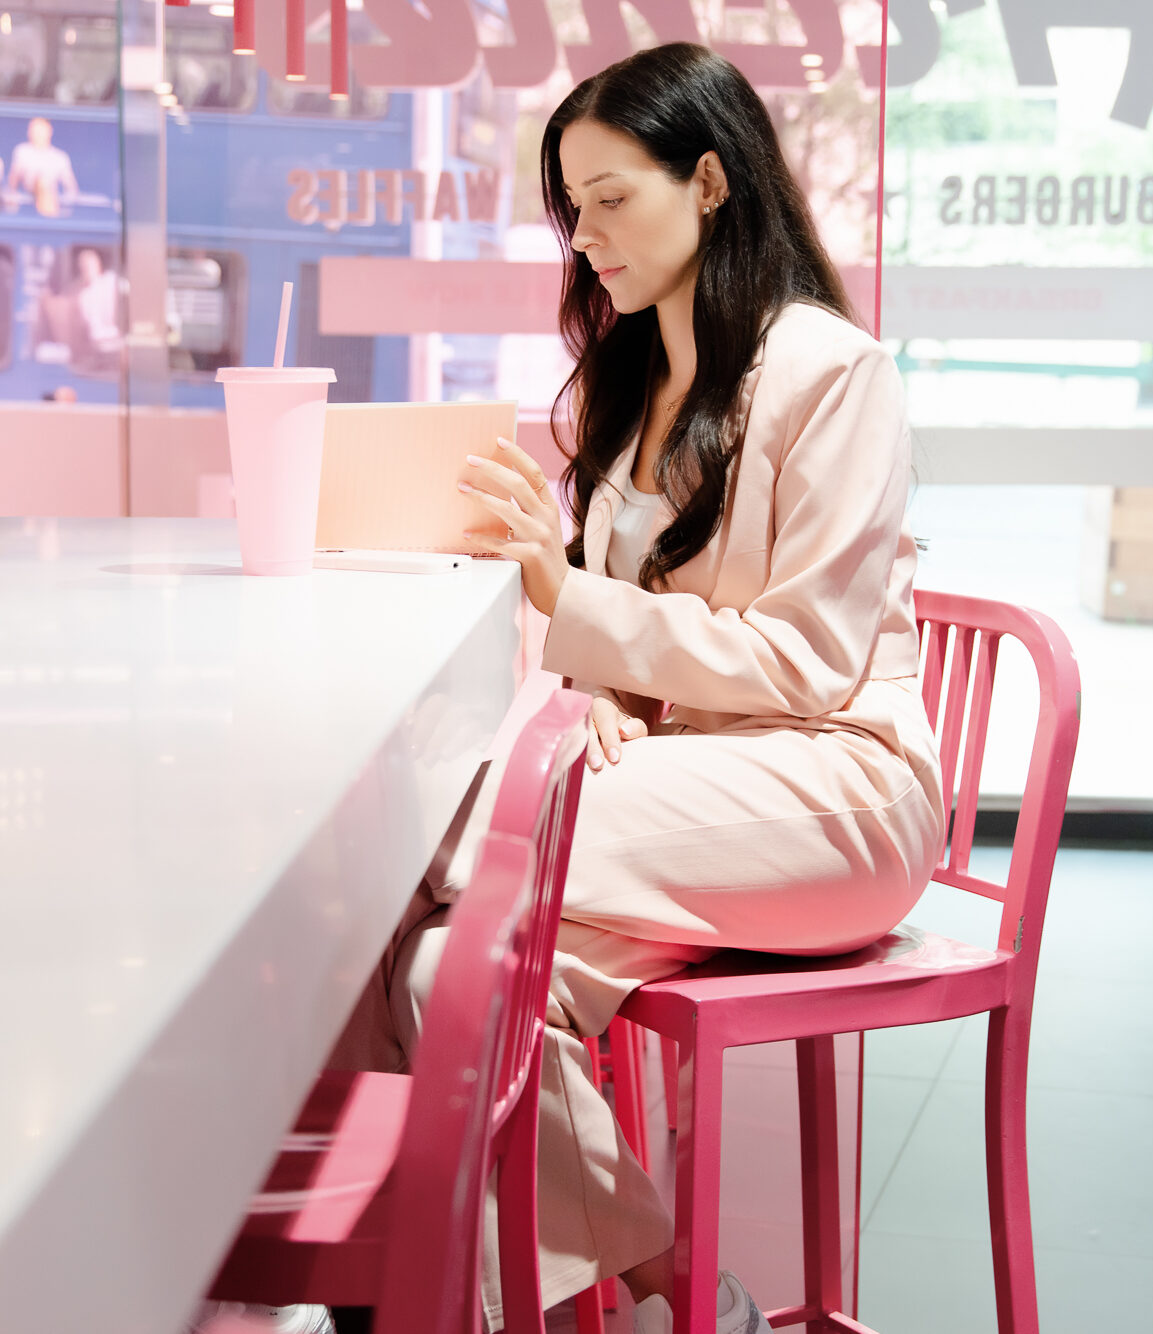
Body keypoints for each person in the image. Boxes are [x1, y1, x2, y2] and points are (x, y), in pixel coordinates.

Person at [204, 40, 946, 1334]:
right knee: (446, 973)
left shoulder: (833, 373)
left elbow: (807, 662)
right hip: (690, 789)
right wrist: (602, 690)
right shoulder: (635, 380)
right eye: (572, 206)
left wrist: (570, 602)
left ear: (708, 181)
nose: (585, 235)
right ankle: (669, 1294)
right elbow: (636, 627)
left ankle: (380, 1286)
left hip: (841, 789)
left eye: (611, 197)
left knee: (421, 842)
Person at [7, 116, 78, 216]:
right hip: (28, 199)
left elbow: (71, 188)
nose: (36, 133)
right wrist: (12, 200)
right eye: (33, 129)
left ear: (49, 131)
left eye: (40, 130)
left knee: (44, 183)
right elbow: (13, 180)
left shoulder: (60, 157)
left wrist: (64, 203)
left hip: (52, 199)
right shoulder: (22, 151)